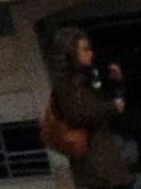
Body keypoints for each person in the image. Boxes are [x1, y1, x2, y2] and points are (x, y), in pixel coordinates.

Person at [45, 33, 135, 189]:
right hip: (93, 164)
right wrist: (110, 107)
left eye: (90, 49)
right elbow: (77, 115)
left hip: (106, 158)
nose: (90, 53)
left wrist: (116, 83)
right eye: (85, 50)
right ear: (71, 53)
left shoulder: (87, 77)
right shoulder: (66, 84)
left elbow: (108, 102)